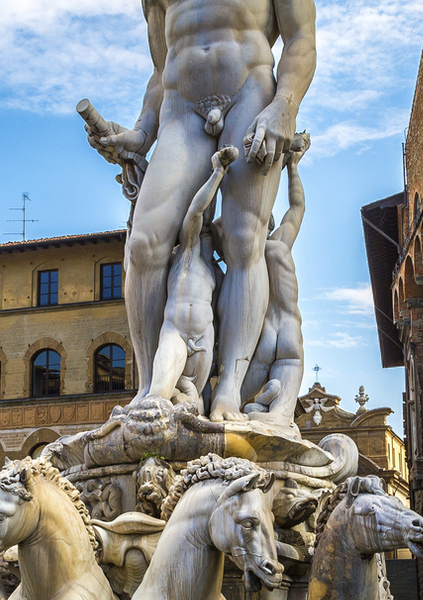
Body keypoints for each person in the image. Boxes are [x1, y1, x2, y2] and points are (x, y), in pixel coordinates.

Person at [87, 0, 316, 421]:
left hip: (251, 93)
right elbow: (162, 69)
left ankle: (229, 389)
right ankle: (151, 391)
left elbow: (301, 39)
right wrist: (141, 131)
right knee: (144, 244)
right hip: (180, 108)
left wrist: (285, 105)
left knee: (244, 240)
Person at [134, 146, 235, 409]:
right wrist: (218, 173)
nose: (208, 236)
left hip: (204, 342)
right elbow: (195, 213)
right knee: (158, 396)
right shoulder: (186, 254)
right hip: (175, 335)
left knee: (195, 407)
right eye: (207, 233)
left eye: (211, 234)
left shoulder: (217, 275)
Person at [242, 133, 309, 426]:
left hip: (264, 333)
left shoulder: (245, 253)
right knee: (282, 411)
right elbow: (297, 207)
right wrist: (292, 164)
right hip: (290, 326)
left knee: (234, 401)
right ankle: (276, 410)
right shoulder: (280, 243)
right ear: (271, 222)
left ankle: (253, 403)